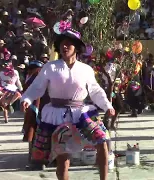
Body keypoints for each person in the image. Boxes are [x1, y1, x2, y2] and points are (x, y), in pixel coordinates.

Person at [20, 27, 114, 180]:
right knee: (63, 161)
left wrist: (107, 106)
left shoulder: (86, 69)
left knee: (102, 140)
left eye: (68, 44)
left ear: (76, 47)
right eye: (62, 44)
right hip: (57, 116)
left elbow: (95, 90)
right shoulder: (50, 67)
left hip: (81, 113)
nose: (64, 47)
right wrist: (26, 99)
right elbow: (37, 87)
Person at [21, 60, 50, 170]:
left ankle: (36, 160)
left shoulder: (36, 76)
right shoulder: (40, 75)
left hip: (37, 110)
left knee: (35, 136)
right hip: (46, 110)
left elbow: (33, 93)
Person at [0, 57, 23, 123]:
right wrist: (21, 89)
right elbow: (18, 82)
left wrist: (21, 88)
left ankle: (9, 106)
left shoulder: (14, 72)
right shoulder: (2, 73)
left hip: (8, 88)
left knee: (6, 102)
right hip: (7, 88)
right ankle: (7, 116)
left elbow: (18, 81)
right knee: (17, 96)